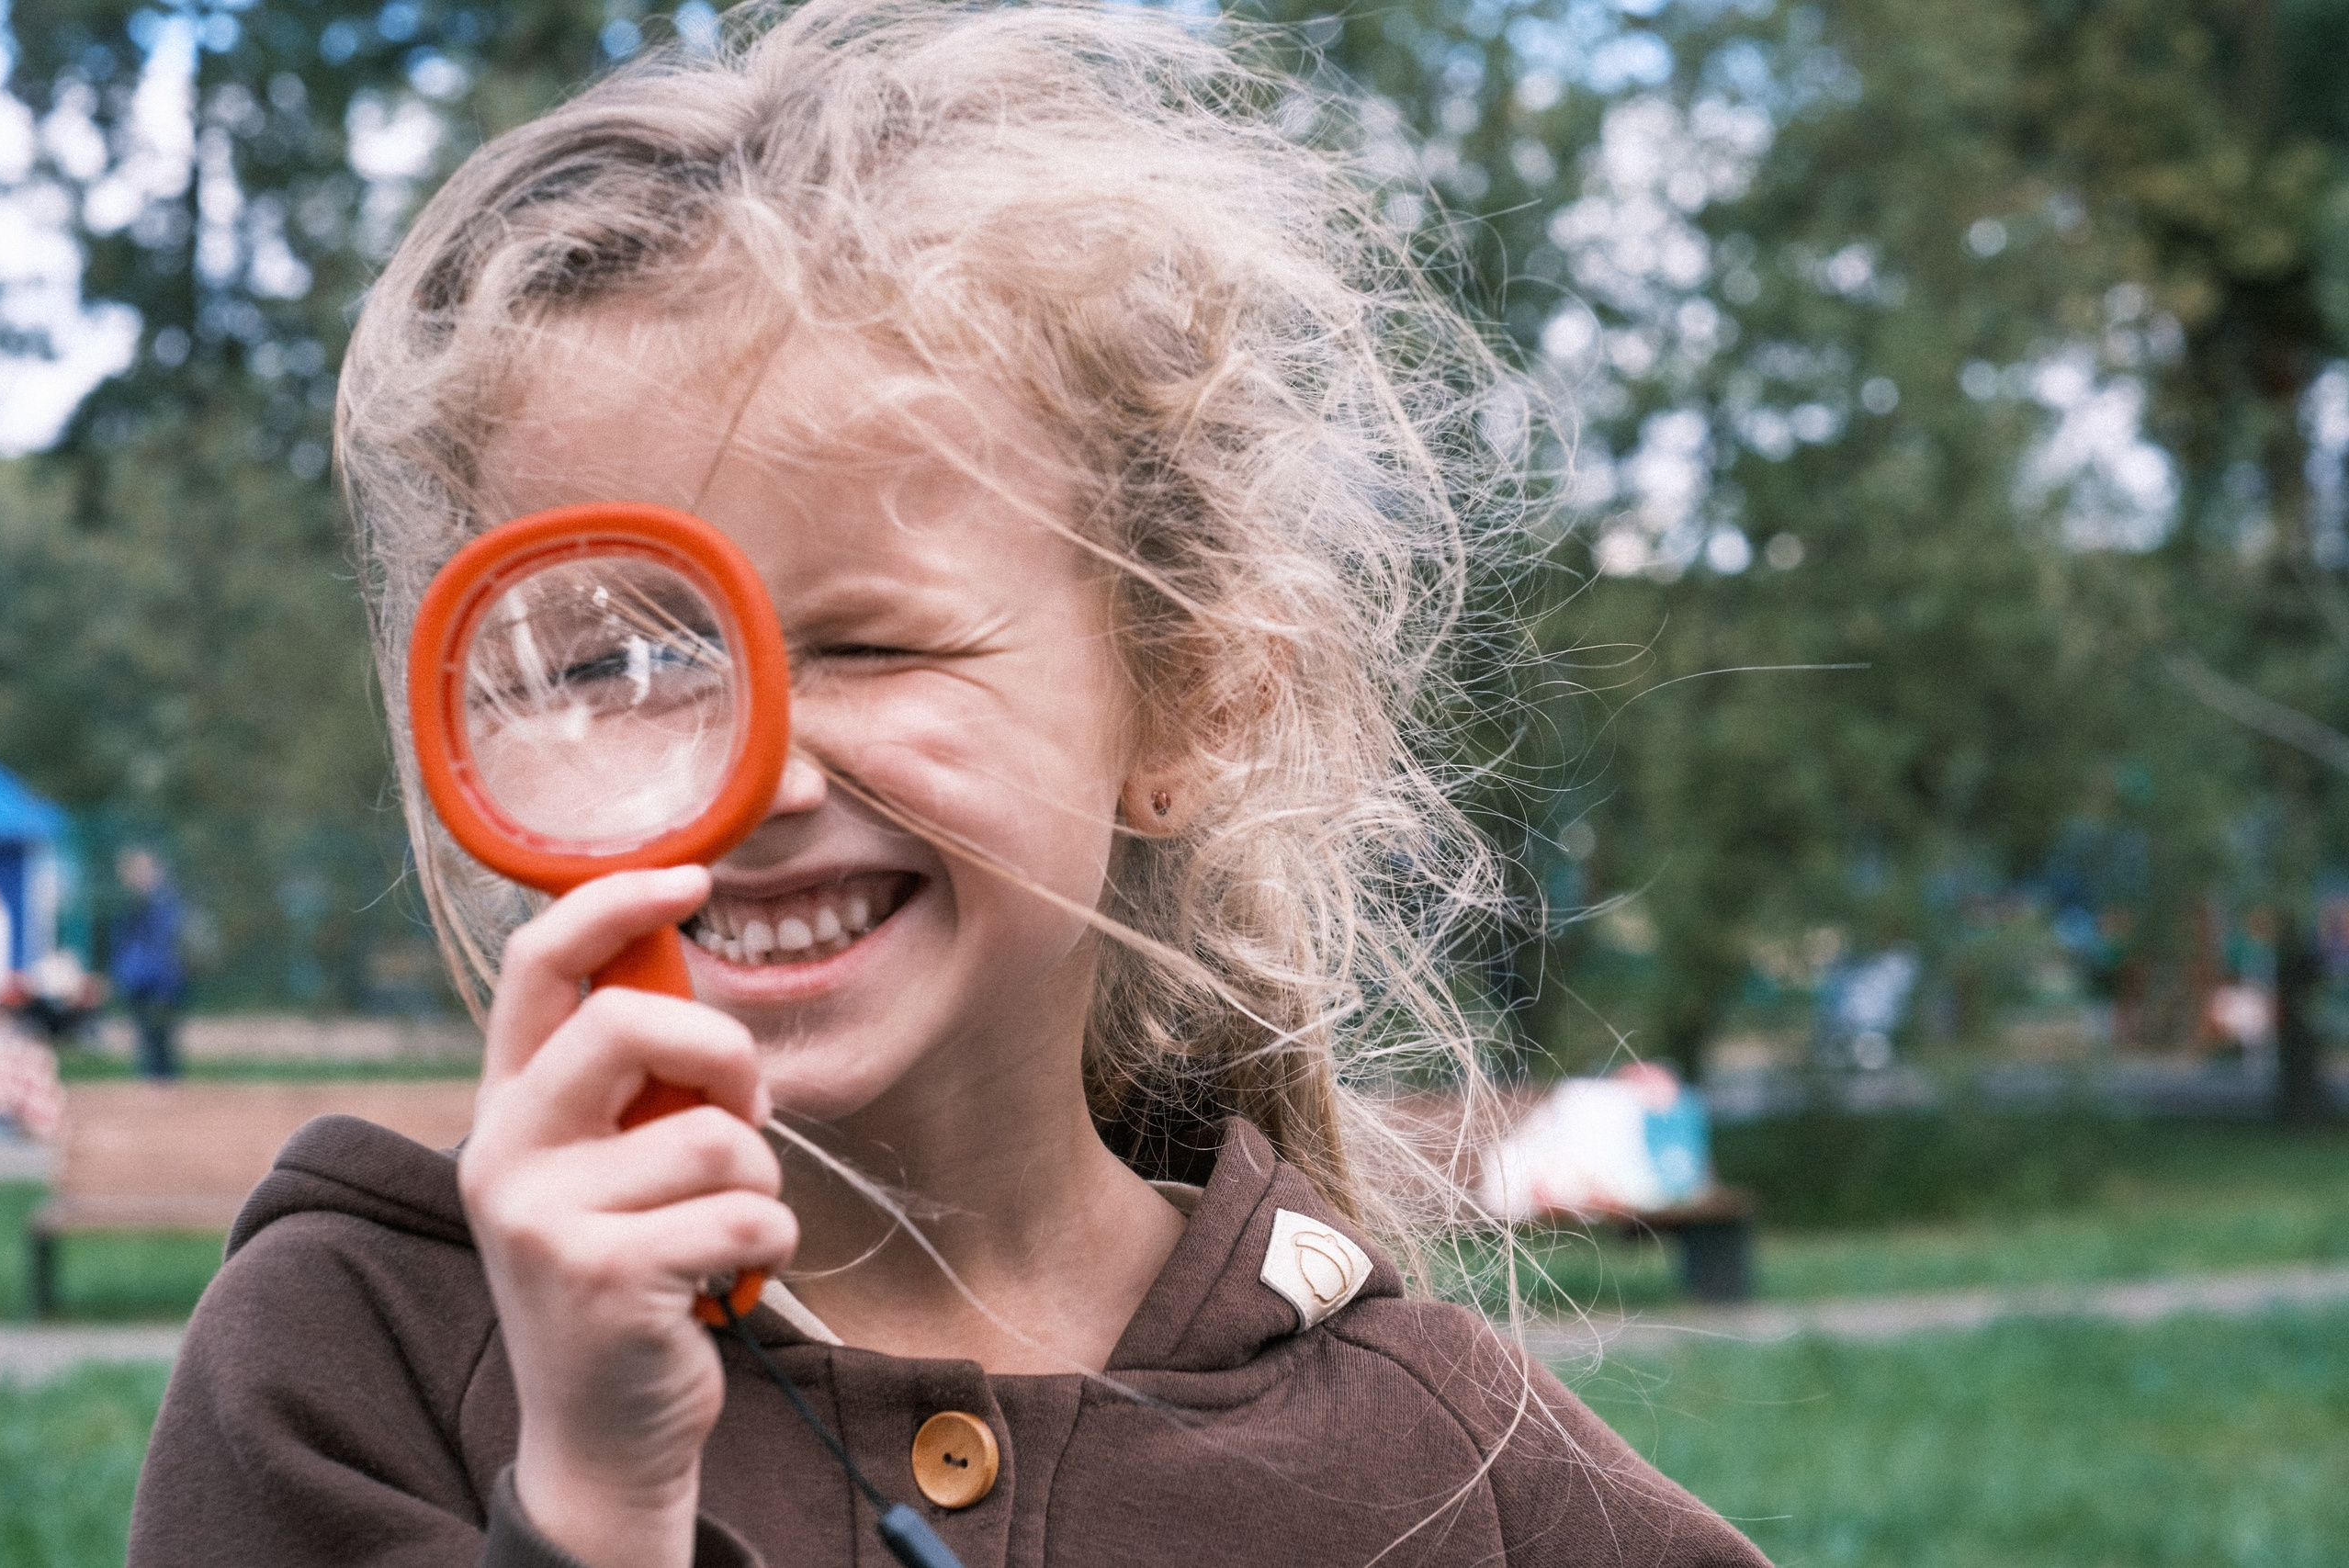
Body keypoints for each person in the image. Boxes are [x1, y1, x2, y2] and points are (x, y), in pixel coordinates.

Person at [130, 5, 1769, 1565]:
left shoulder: (1445, 1463)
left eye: (870, 648)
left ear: (1189, 703)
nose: (753, 777)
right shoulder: (357, 1360)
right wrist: (592, 1493)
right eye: (611, 664)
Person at [109, 847, 186, 1079]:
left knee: (161, 1039)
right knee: (147, 1040)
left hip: (163, 982)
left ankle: (166, 1087)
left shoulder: (164, 903)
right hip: (139, 983)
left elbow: (167, 945)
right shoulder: (130, 906)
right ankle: (155, 1088)